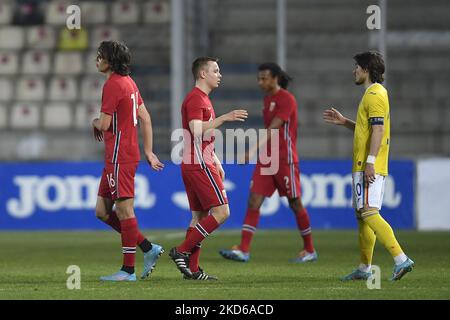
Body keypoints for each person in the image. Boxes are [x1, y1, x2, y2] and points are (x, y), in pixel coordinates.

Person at [323, 51, 414, 281]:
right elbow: (368, 129)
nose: (354, 70)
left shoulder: (374, 95)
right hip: (363, 163)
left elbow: (379, 130)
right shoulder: (373, 94)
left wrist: (371, 162)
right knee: (362, 214)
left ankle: (401, 259)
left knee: (369, 212)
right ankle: (365, 269)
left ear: (366, 69)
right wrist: (345, 122)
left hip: (368, 164)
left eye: (357, 66)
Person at [219, 62, 317, 263]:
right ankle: (243, 249)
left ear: (275, 78)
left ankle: (309, 249)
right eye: (258, 78)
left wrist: (252, 150)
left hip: (284, 159)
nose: (260, 82)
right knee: (254, 201)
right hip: (267, 159)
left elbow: (273, 128)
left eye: (263, 78)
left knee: (295, 202)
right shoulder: (267, 100)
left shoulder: (287, 99)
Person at [168, 57, 248, 280]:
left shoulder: (202, 99)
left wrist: (217, 161)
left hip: (196, 162)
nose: (219, 74)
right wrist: (224, 117)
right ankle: (182, 251)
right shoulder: (196, 99)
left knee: (198, 217)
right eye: (216, 70)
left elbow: (203, 137)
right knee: (222, 212)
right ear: (203, 74)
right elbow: (195, 129)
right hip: (199, 163)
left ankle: (192, 270)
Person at [92, 40, 165, 282]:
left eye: (101, 56)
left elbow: (103, 124)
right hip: (120, 155)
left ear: (110, 61)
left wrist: (93, 122)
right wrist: (149, 150)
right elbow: (145, 117)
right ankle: (147, 248)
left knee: (124, 210)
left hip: (119, 156)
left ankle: (128, 270)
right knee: (102, 212)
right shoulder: (129, 83)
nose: (97, 59)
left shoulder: (113, 85)